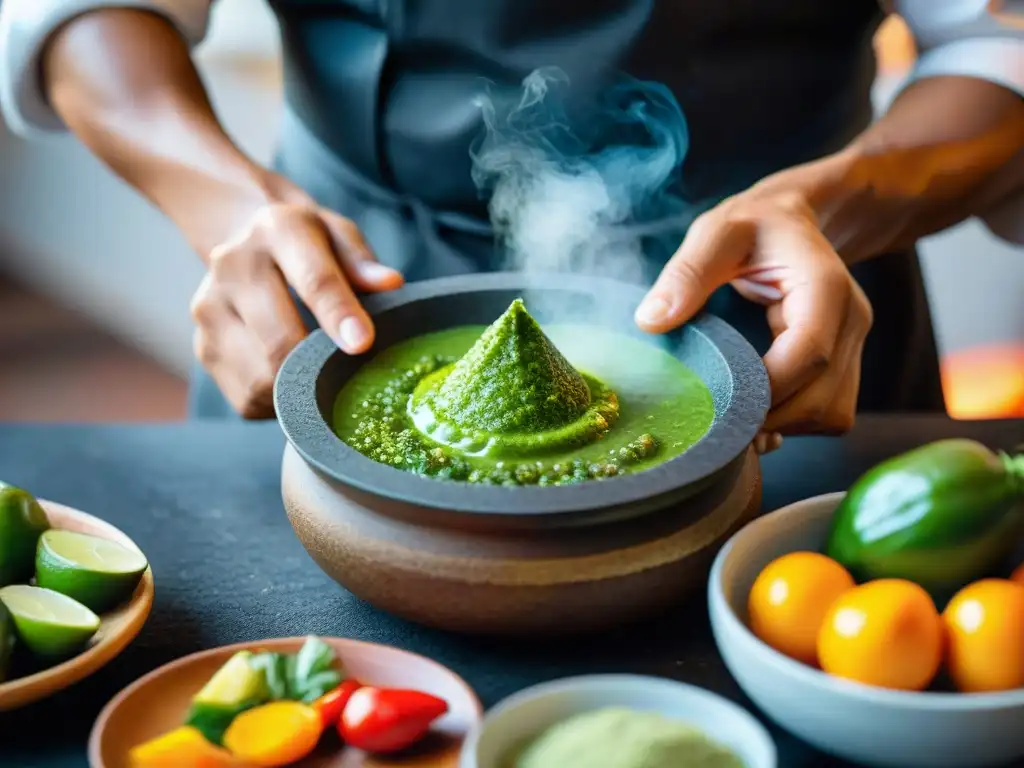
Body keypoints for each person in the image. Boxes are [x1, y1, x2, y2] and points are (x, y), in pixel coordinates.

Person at [1, 1, 1021, 444]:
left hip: (789, 301)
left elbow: (998, 44)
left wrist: (823, 203)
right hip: (346, 289)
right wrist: (233, 203)